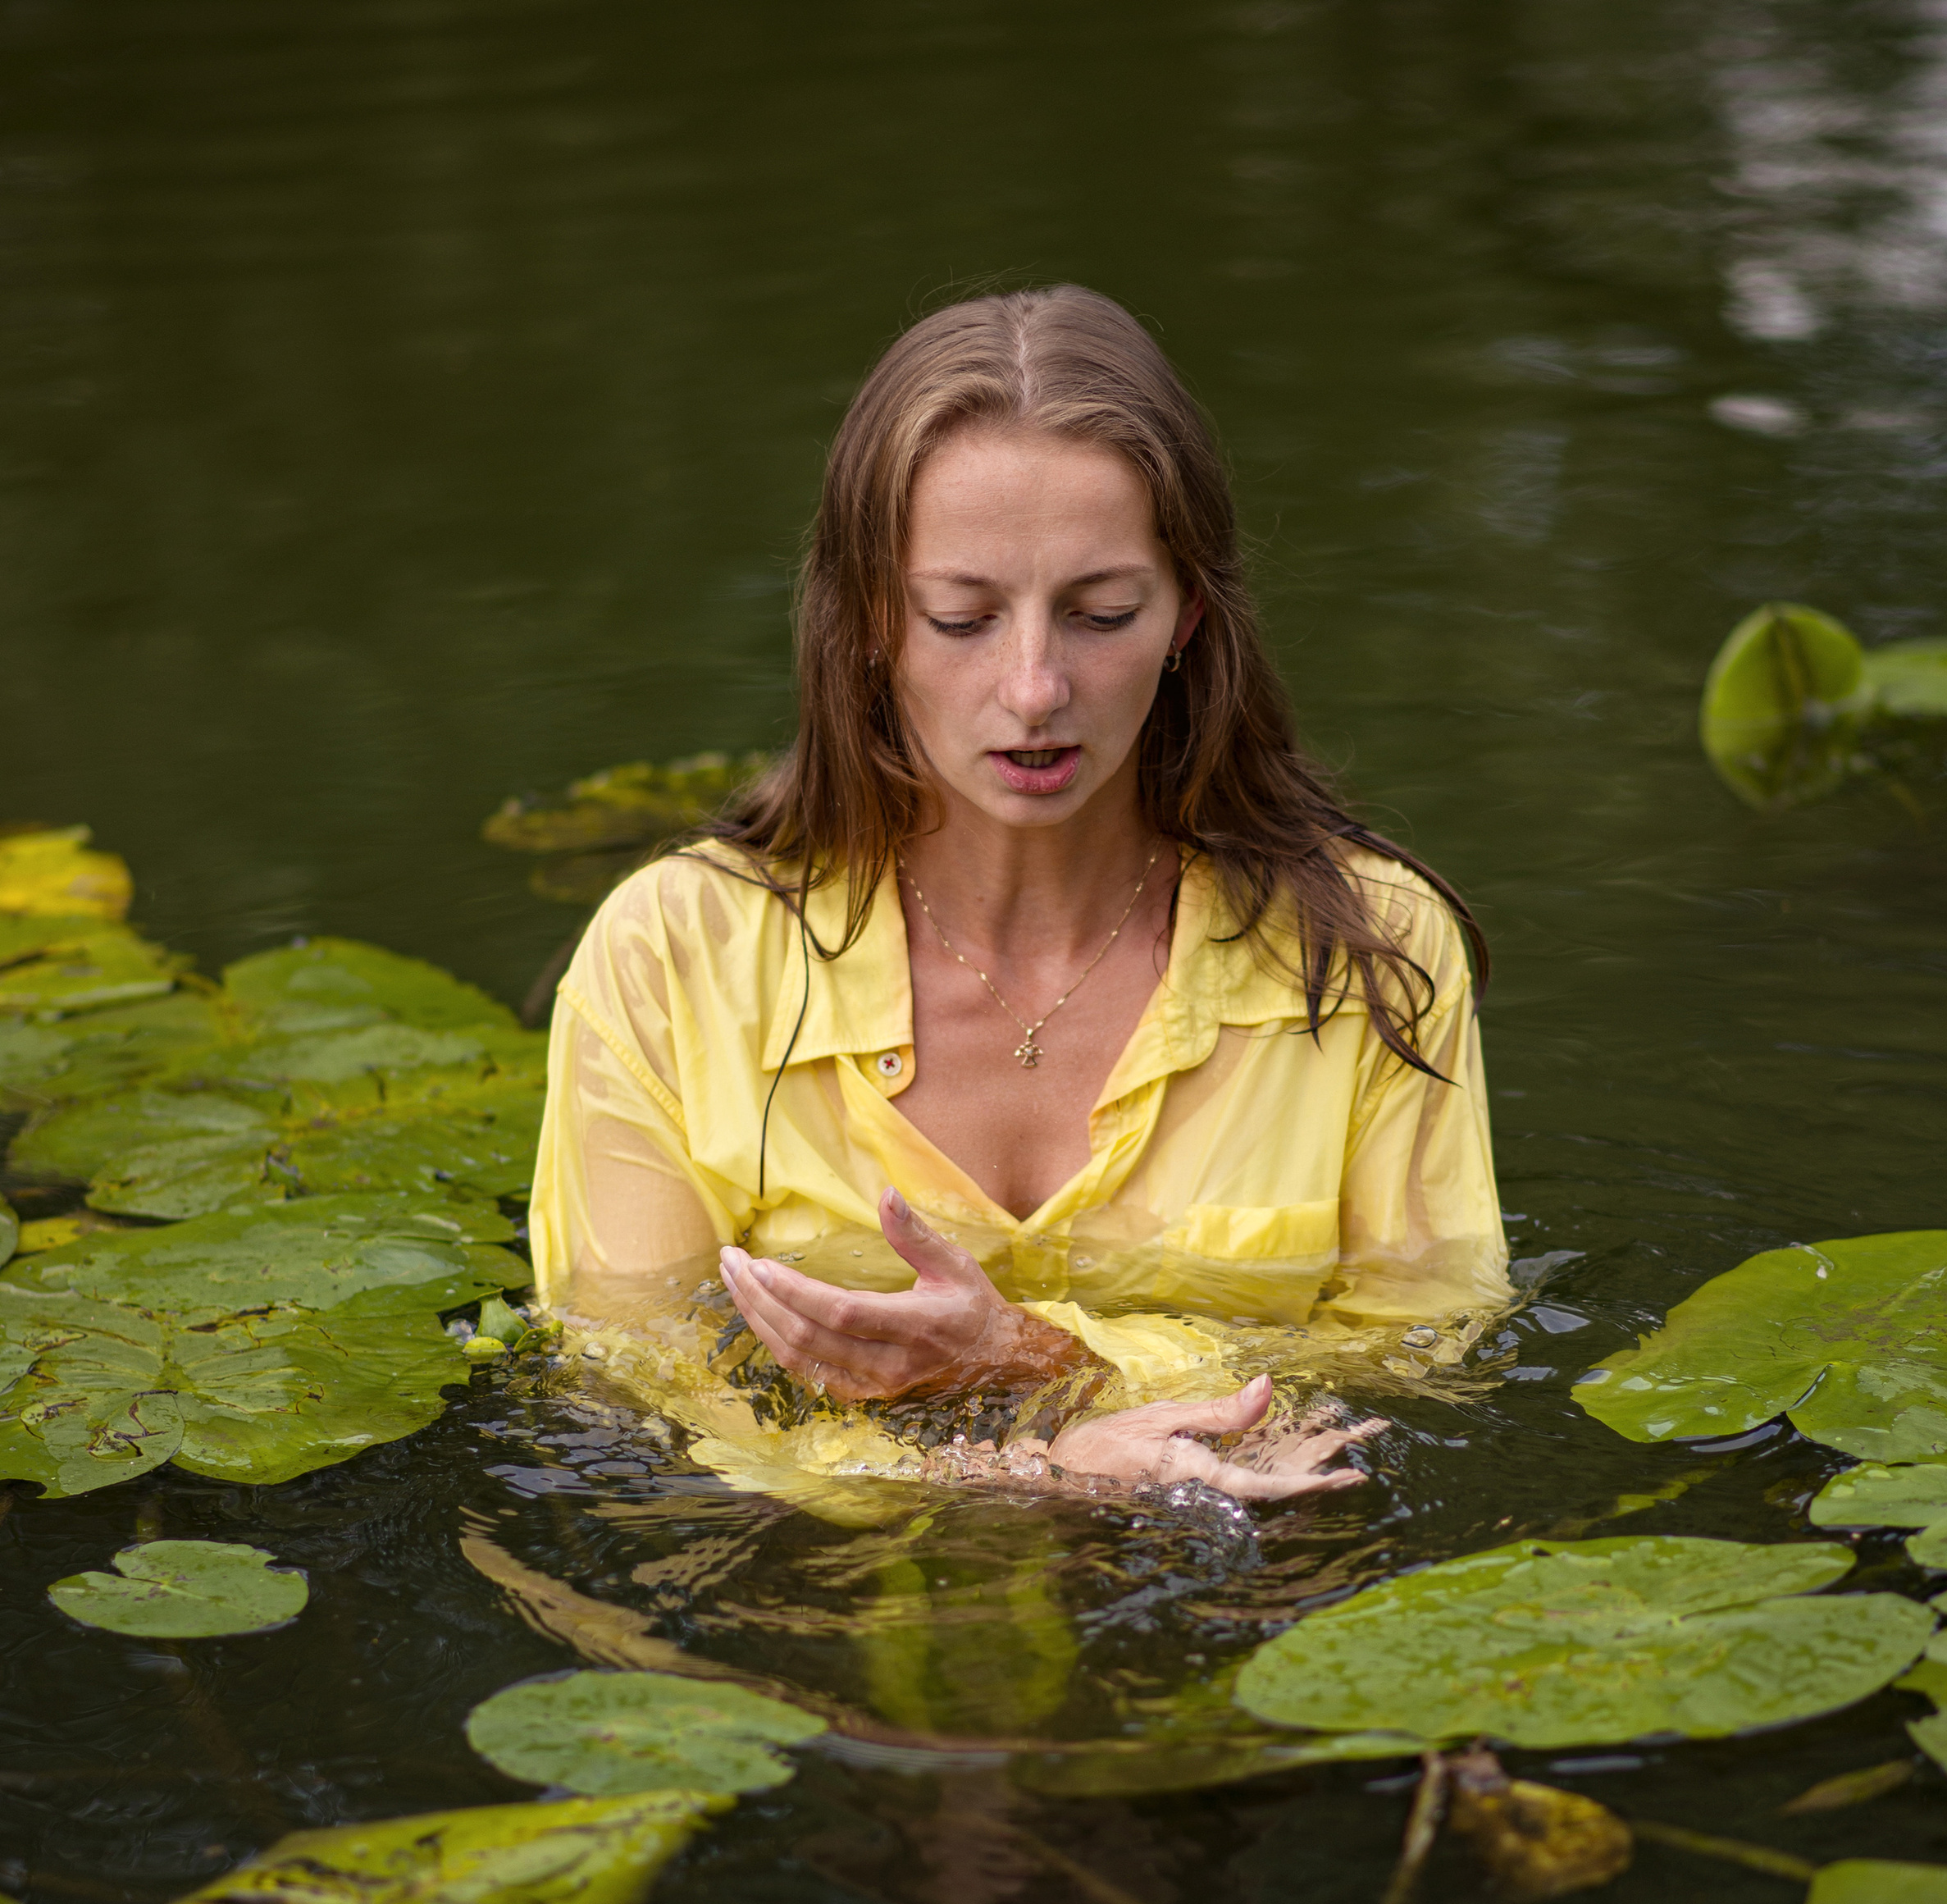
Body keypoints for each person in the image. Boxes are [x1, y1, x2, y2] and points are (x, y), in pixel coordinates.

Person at [529, 285, 1505, 1503]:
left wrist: (1029, 1363)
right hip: (811, 1608)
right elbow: (630, 1383)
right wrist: (1035, 1467)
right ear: (869, 623)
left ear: (1189, 616)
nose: (1035, 687)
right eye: (962, 617)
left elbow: (1426, 1364)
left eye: (1101, 615)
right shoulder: (670, 956)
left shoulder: (1367, 951)